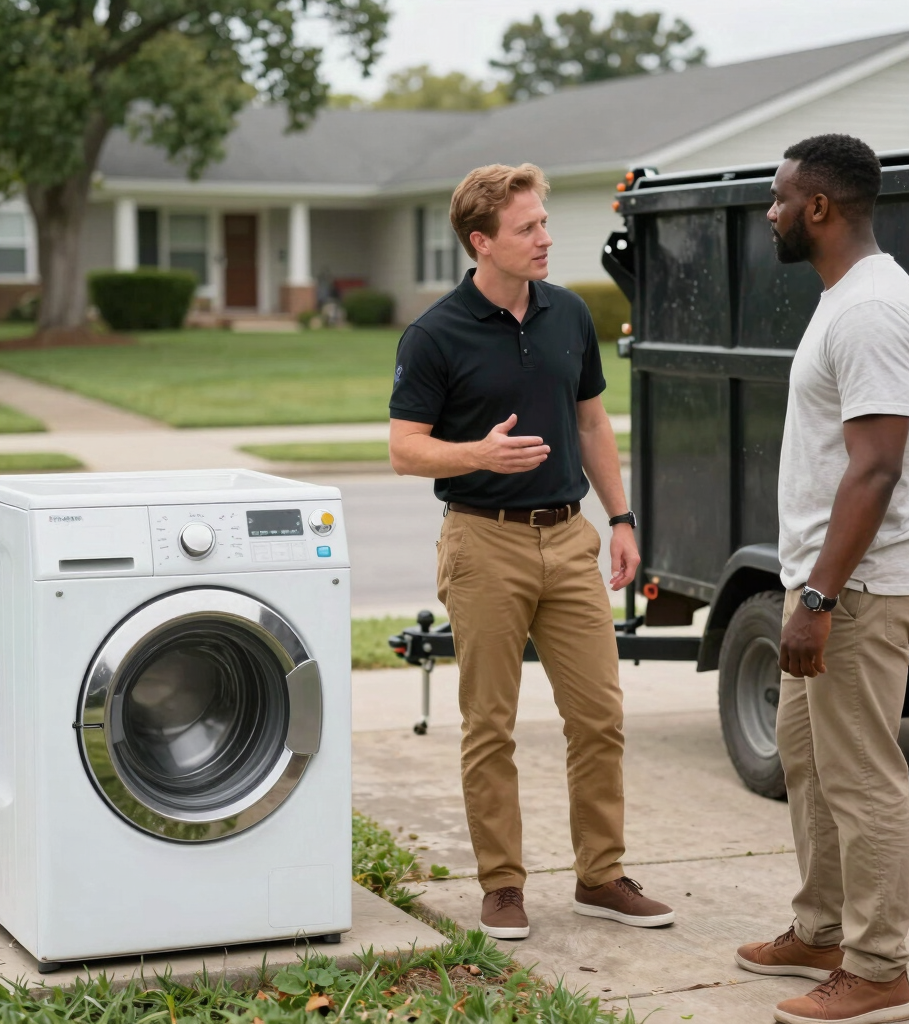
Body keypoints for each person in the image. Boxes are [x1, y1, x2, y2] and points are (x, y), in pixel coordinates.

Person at [388, 162, 674, 940]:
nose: (546, 238)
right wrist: (478, 453)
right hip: (484, 545)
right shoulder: (436, 333)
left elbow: (591, 423)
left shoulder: (569, 315)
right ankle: (503, 885)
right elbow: (406, 451)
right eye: (528, 228)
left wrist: (620, 517)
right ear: (482, 241)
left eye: (545, 223)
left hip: (570, 536)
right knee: (491, 725)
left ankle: (601, 875)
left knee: (600, 716)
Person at [735, 134, 909, 1024]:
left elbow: (875, 469)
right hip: (826, 582)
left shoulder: (868, 312)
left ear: (819, 207)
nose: (773, 213)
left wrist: (818, 599)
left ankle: (877, 967)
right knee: (811, 765)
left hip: (857, 589)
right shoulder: (846, 298)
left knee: (860, 779)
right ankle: (821, 929)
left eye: (782, 200)